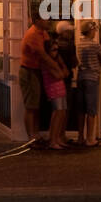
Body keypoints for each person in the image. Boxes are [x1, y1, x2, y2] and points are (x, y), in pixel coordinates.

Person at [20, 9, 64, 148]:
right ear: (37, 20)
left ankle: (36, 135)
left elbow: (49, 51)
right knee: (31, 106)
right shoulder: (33, 35)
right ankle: (31, 138)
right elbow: (44, 56)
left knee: (36, 105)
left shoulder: (43, 33)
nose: (48, 20)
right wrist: (58, 70)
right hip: (29, 71)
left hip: (36, 71)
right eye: (46, 18)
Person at [76, 21, 101, 147]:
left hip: (81, 77)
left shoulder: (79, 44)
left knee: (81, 110)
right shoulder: (95, 45)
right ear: (90, 30)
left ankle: (80, 137)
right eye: (94, 30)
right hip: (92, 78)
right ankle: (90, 139)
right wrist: (100, 63)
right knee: (91, 109)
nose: (95, 32)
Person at [41, 24, 72, 150]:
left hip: (60, 89)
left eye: (57, 50)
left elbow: (65, 73)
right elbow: (59, 75)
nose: (56, 52)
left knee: (62, 112)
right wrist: (61, 70)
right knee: (57, 113)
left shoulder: (55, 61)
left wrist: (60, 65)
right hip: (54, 90)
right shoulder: (47, 62)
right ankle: (53, 140)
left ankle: (58, 138)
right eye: (53, 50)